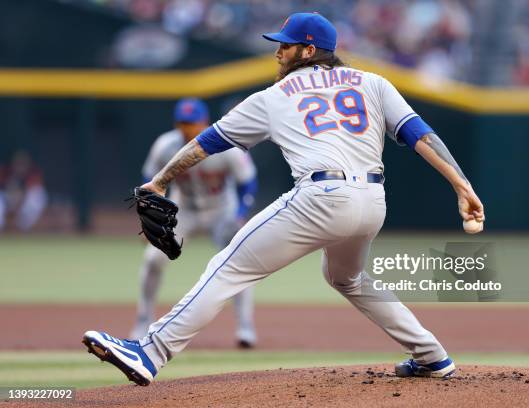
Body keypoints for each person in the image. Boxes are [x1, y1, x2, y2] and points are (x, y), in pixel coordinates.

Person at [83, 12, 485, 386]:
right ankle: (432, 355)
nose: (278, 51)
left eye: (286, 45)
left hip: (322, 197)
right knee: (346, 277)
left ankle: (150, 352)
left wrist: (159, 181)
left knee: (227, 266)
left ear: (309, 51)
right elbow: (421, 136)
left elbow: (207, 143)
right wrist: (462, 185)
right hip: (373, 202)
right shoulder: (373, 83)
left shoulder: (274, 96)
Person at [131, 98, 259, 348]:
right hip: (183, 211)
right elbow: (149, 179)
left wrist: (241, 213)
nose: (187, 128)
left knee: (240, 261)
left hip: (222, 211)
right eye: (183, 122)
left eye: (192, 123)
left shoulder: (227, 146)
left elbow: (248, 182)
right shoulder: (166, 146)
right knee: (152, 259)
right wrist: (148, 218)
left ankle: (245, 326)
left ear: (204, 121)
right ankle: (142, 320)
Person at [0, 150, 48, 232]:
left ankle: (24, 229)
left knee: (38, 194)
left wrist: (18, 202)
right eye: (18, 163)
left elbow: (30, 192)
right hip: (7, 198)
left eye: (22, 163)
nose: (20, 166)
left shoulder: (33, 173)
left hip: (24, 201)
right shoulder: (5, 171)